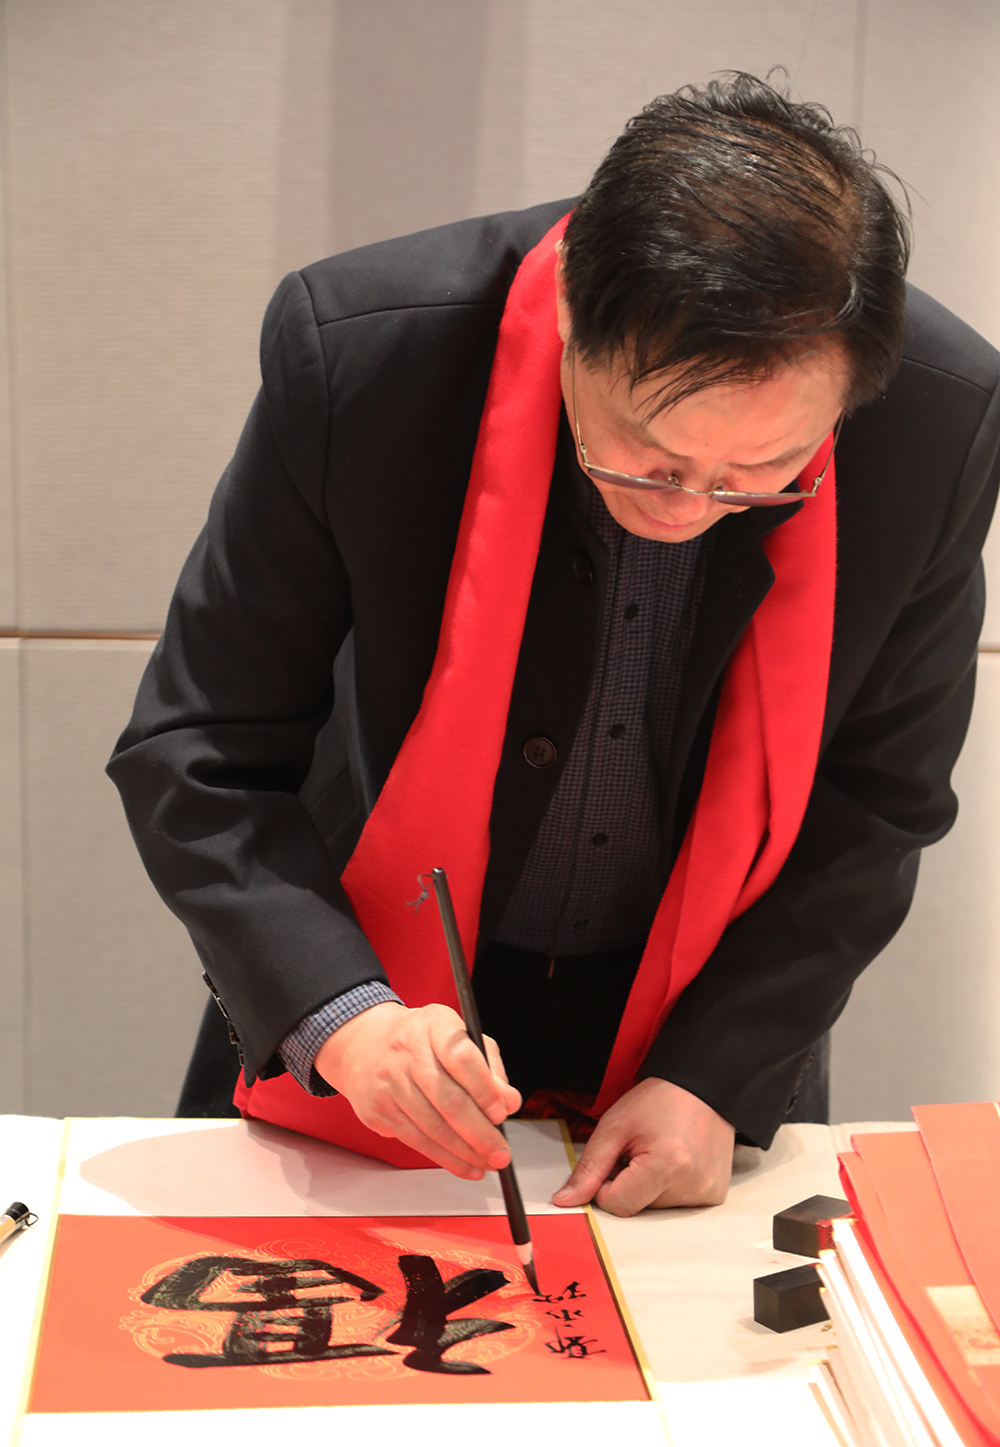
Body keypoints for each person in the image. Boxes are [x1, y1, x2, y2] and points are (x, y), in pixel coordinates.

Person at [108, 74, 1000, 1216]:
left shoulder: (937, 419)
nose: (687, 509)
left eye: (760, 474)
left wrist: (715, 1073)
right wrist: (346, 1019)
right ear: (572, 313)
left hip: (700, 1021)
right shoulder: (367, 355)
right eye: (647, 455)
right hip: (363, 982)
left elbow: (881, 800)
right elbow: (198, 746)